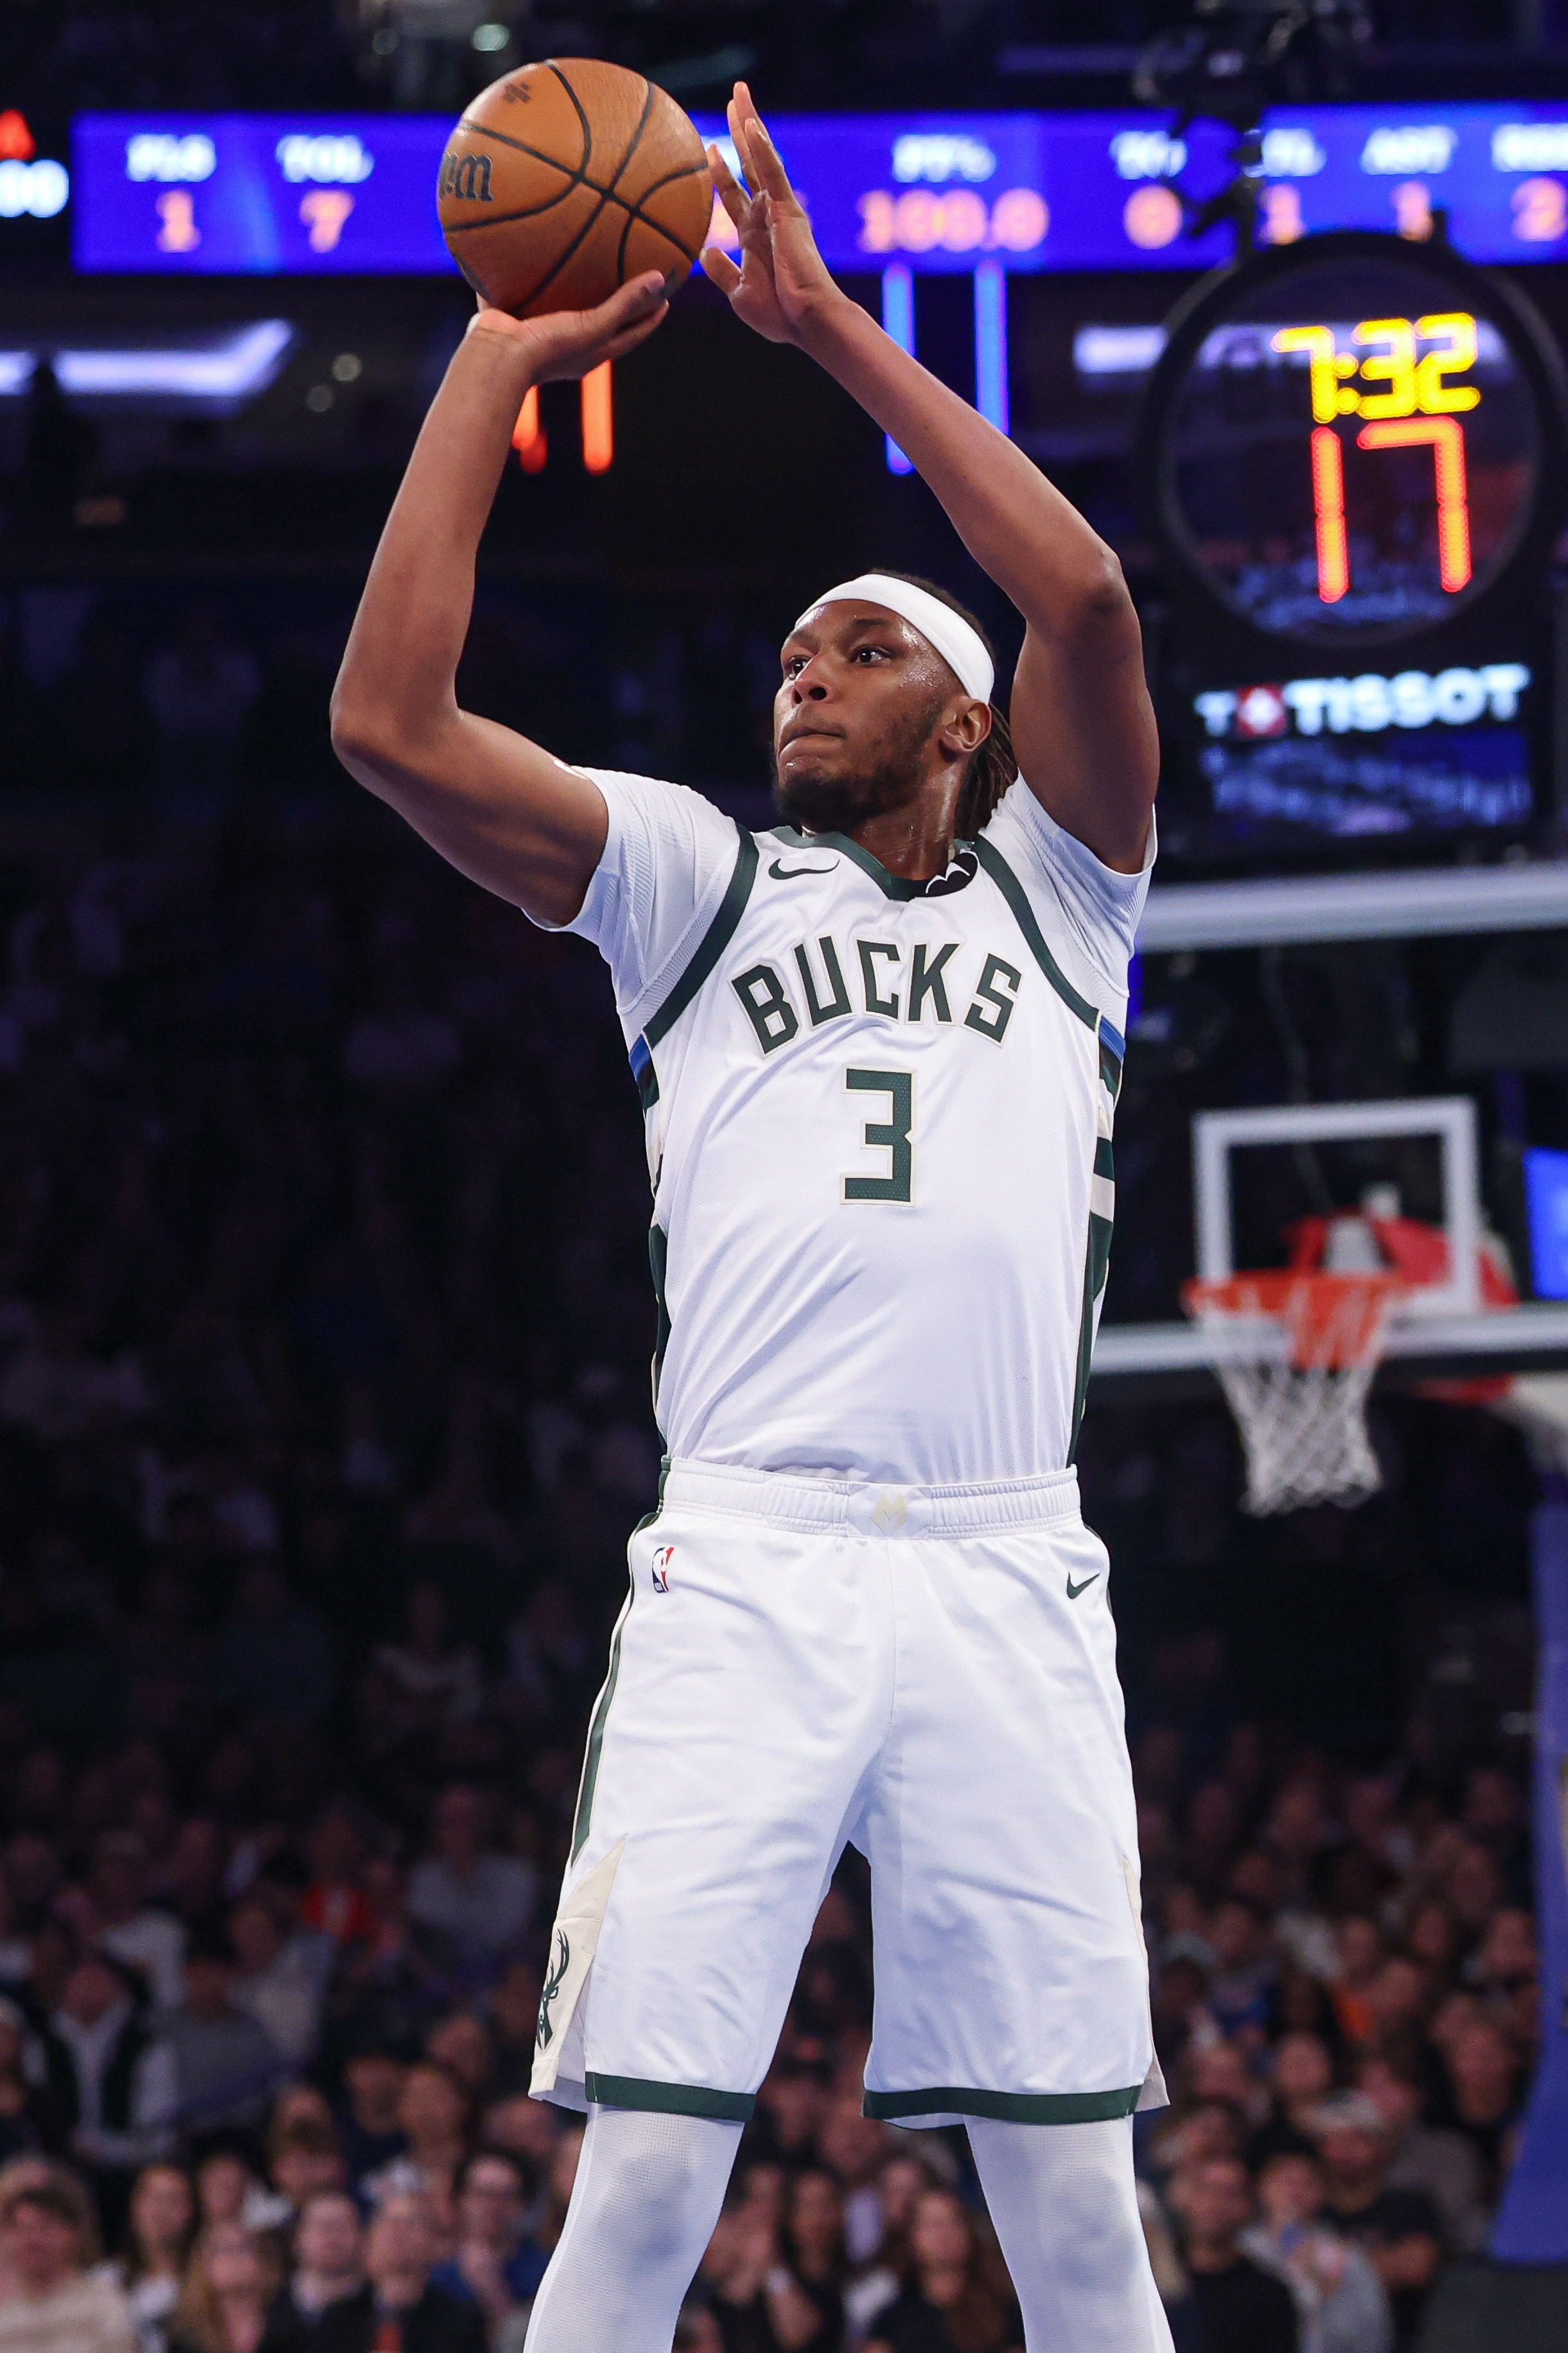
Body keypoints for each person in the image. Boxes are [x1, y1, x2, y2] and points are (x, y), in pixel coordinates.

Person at [331, 68, 1163, 2353]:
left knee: (1077, 2216)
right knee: (642, 2187)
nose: (805, 670)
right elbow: (389, 722)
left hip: (1002, 1564)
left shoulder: (1065, 896)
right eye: (790, 652)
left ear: (967, 727)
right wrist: (491, 364)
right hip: (753, 1560)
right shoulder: (693, 883)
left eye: (860, 650)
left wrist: (822, 329)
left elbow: (1084, 595)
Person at [863, 2186, 1019, 2353]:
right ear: (912, 2238)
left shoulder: (1005, 2311)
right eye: (932, 2225)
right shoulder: (891, 2324)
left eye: (953, 2222)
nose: (944, 2234)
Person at [0, 2166, 139, 2353]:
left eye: (45, 2226)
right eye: (22, 2228)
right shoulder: (5, 2316)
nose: (32, 2240)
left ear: (73, 2234)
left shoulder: (105, 2306)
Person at [1165, 2157, 1298, 2353]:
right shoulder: (1151, 2277)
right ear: (1183, 2197)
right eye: (1206, 2190)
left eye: (1229, 2194)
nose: (1215, 2204)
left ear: (1248, 2206)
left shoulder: (1269, 2295)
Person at [428, 2151, 546, 2333]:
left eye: (507, 2196)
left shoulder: (543, 2270)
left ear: (522, 2205)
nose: (494, 2207)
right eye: (484, 2194)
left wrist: (491, 2288)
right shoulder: (435, 2271)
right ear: (461, 2200)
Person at [260, 2191, 364, 2345]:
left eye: (343, 2226)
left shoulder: (380, 2307)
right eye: (323, 2226)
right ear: (298, 2237)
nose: (333, 2237)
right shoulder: (268, 2302)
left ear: (362, 2236)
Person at [118, 2163, 198, 2352]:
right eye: (151, 2198)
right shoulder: (105, 2279)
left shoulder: (203, 2287)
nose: (159, 2210)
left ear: (192, 2211)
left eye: (172, 2200)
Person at [169, 2222, 283, 2353]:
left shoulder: (288, 2325)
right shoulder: (184, 2339)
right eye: (223, 2249)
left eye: (242, 2248)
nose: (233, 2258)